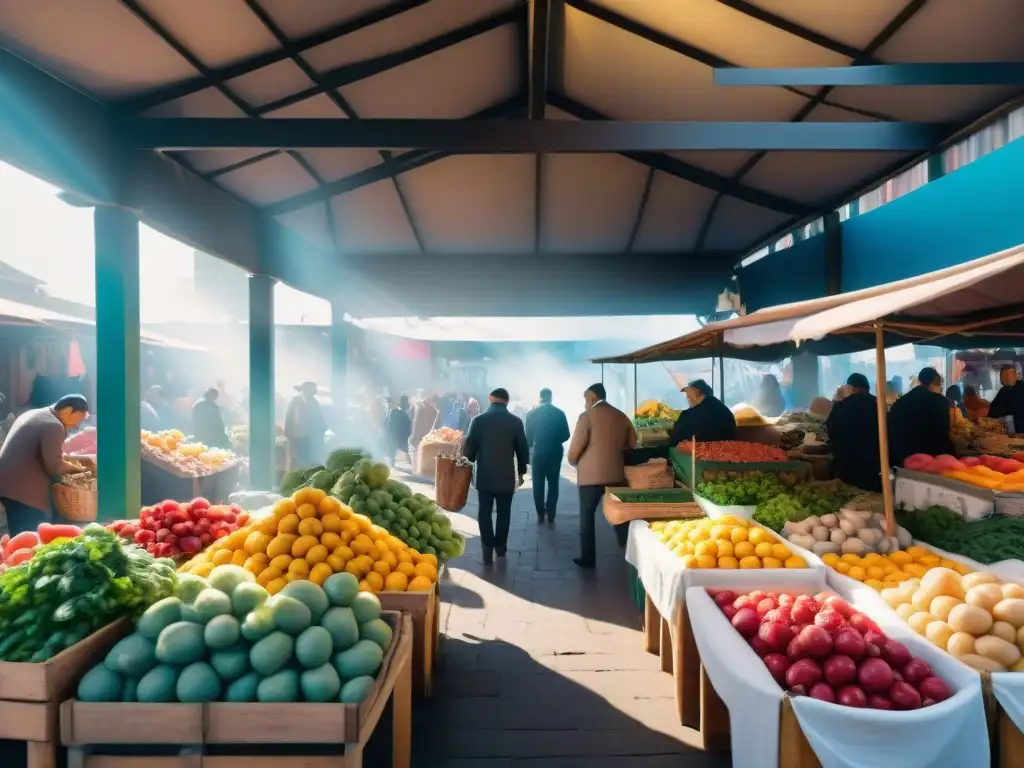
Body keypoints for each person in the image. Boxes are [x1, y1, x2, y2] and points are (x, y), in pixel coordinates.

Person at [567, 383, 636, 569]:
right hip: (616, 474)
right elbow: (632, 443)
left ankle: (588, 559)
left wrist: (574, 461)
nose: (584, 403)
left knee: (587, 517)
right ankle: (630, 549)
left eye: (585, 399)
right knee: (620, 514)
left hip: (590, 477)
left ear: (592, 397)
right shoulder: (621, 416)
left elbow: (575, 450)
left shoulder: (586, 417)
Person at [0, 394, 89, 534]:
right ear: (68, 410)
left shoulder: (35, 414)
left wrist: (70, 460)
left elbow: (43, 452)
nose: (77, 424)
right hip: (24, 491)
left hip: (8, 485)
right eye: (79, 418)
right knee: (29, 537)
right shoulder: (53, 425)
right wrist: (76, 468)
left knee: (19, 536)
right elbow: (54, 466)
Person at [462, 388, 529, 565]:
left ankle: (487, 546)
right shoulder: (515, 422)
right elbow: (523, 450)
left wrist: (467, 466)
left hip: (484, 475)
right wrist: (521, 472)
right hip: (506, 476)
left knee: (484, 511)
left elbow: (469, 451)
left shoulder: (478, 420)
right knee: (503, 512)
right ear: (507, 401)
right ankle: (500, 546)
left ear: (490, 399)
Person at [888, 367, 954, 467]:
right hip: (933, 459)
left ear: (919, 380)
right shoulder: (941, 402)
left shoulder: (899, 403)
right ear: (934, 383)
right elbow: (945, 429)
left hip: (903, 459)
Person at [825, 374, 881, 492]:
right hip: (874, 466)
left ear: (851, 388)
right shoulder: (880, 405)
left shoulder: (841, 405)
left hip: (846, 466)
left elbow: (831, 431)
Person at [525, 388, 570, 523]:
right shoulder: (559, 413)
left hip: (538, 453)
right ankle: (551, 512)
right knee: (553, 483)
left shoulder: (532, 413)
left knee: (538, 484)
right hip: (555, 453)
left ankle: (540, 512)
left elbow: (528, 438)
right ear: (550, 398)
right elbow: (566, 435)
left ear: (540, 398)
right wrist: (555, 440)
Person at [668, 379, 736, 446]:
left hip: (699, 455)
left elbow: (674, 440)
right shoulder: (725, 411)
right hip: (728, 453)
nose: (687, 399)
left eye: (688, 396)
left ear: (692, 395)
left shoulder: (689, 415)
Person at [285, 382, 327, 469]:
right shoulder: (294, 403)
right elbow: (289, 421)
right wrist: (289, 436)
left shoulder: (315, 404)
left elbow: (320, 421)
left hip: (311, 440)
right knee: (297, 461)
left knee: (309, 462)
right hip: (297, 438)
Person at [987, 365, 1024, 434]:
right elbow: (993, 410)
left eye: (1010, 375)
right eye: (1005, 376)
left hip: (1016, 430)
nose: (1008, 378)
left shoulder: (1007, 391)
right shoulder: (1004, 390)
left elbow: (994, 412)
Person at [408, 394, 439, 469]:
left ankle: (418, 467)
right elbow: (410, 415)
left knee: (419, 449)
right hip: (420, 432)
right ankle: (417, 467)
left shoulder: (432, 410)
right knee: (417, 448)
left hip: (424, 433)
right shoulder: (419, 405)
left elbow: (410, 415)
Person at [385, 395, 412, 467]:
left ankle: (393, 461)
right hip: (401, 435)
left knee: (395, 448)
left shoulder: (391, 413)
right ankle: (409, 460)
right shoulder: (401, 413)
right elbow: (408, 423)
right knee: (404, 447)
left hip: (395, 435)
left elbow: (387, 424)